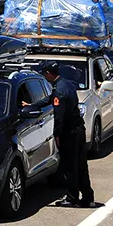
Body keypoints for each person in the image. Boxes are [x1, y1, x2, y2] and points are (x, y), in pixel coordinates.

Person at [41, 61, 95, 208]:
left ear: (48, 73)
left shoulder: (59, 90)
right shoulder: (68, 84)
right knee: (81, 165)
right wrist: (32, 105)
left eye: (44, 74)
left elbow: (59, 118)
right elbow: (49, 100)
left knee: (69, 167)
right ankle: (88, 197)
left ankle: (72, 198)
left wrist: (56, 135)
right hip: (79, 130)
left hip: (69, 133)